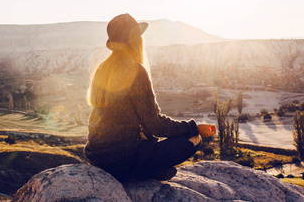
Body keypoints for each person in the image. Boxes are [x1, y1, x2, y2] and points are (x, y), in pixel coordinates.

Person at [84, 13, 215, 182]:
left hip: (98, 159)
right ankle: (142, 172)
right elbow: (155, 125)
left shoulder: (102, 69)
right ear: (136, 40)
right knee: (193, 140)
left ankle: (149, 170)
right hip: (124, 161)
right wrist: (194, 128)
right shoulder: (135, 70)